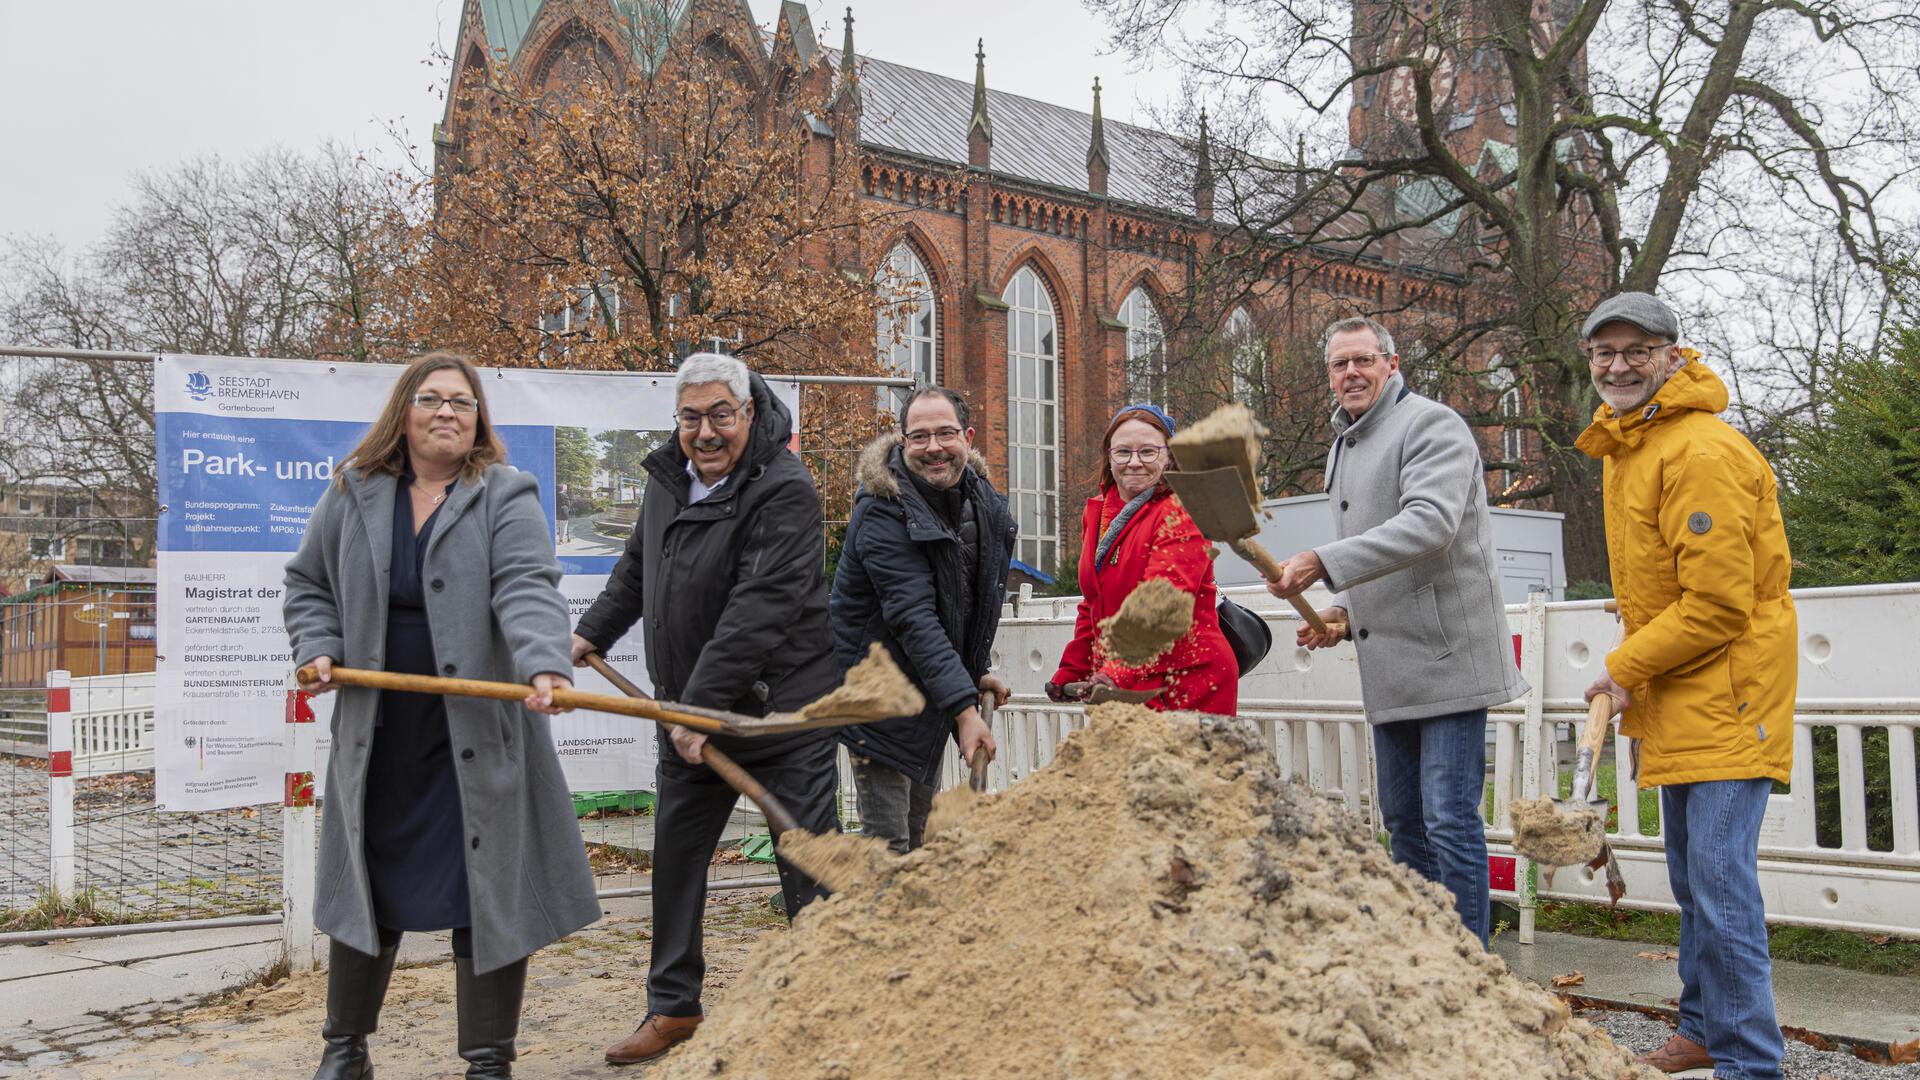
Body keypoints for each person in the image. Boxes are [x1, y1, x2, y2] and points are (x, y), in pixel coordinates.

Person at [283, 351, 599, 1079]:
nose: (447, 412)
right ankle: (345, 1050)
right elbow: (308, 585)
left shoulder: (505, 493)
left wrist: (543, 660)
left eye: (462, 401)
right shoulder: (353, 491)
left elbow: (528, 586)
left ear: (478, 418)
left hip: (475, 734)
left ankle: (489, 1062)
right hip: (382, 733)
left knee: (484, 891)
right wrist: (319, 646)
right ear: (405, 410)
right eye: (431, 399)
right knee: (368, 885)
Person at [570, 353, 842, 1066]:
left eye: (721, 413)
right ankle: (673, 1007)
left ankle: (825, 1007)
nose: (706, 431)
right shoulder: (668, 479)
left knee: (807, 864)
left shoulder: (784, 488)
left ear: (749, 413)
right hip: (687, 713)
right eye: (691, 416)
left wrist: (700, 709)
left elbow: (760, 609)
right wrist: (593, 630)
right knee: (677, 861)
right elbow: (638, 566)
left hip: (778, 717)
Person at [1574, 292, 1794, 1080]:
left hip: (1731, 698)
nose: (1619, 365)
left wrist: (1624, 666)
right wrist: (1640, 665)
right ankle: (1705, 1028)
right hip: (1685, 695)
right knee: (1694, 882)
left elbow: (1720, 603)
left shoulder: (1697, 451)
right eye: (1604, 352)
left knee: (1721, 885)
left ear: (1674, 354)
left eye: (1638, 349)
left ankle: (1751, 1062)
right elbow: (1667, 595)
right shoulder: (1633, 446)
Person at [1266, 316, 1526, 947]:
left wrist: (1324, 563)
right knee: (1405, 821)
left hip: (1448, 657)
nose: (1350, 374)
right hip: (1392, 664)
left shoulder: (1431, 425)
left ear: (1391, 361)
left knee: (1448, 820)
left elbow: (1430, 525)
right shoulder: (1342, 443)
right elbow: (1384, 553)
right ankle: (1424, 953)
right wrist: (1345, 613)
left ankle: (1469, 966)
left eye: (1362, 360)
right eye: (1338, 365)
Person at [829, 386, 1013, 853]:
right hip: (879, 700)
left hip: (929, 695)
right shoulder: (881, 510)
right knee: (889, 844)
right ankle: (876, 925)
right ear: (903, 442)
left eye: (946, 433)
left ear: (967, 437)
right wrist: (966, 711)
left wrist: (975, 671)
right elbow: (915, 617)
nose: (934, 447)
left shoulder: (980, 505)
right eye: (920, 436)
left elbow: (964, 605)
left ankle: (906, 924)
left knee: (918, 840)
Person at [1047, 403, 1238, 715]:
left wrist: (1116, 672)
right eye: (1123, 452)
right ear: (1108, 457)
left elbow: (1162, 602)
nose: (1134, 463)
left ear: (1169, 456)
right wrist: (1072, 669)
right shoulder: (1097, 514)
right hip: (1124, 681)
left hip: (1185, 684)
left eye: (1148, 452)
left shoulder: (1184, 511)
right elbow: (1094, 604)